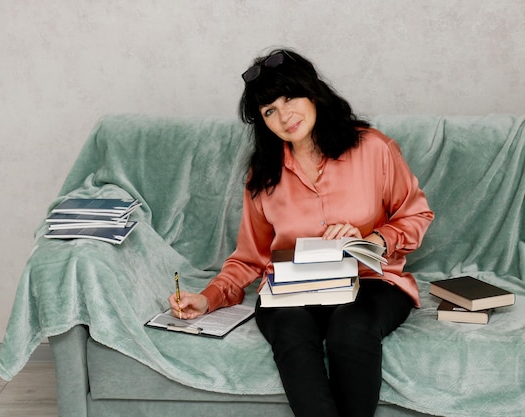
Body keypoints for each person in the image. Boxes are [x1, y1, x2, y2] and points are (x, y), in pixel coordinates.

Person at [168, 48, 434, 417]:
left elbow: (415, 215)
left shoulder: (374, 148)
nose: (284, 115)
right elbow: (250, 257)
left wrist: (370, 240)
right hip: (292, 287)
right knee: (290, 333)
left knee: (351, 329)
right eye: (269, 111)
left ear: (313, 93)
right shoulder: (262, 177)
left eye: (289, 97)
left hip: (370, 280)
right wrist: (209, 297)